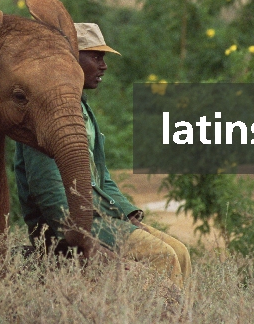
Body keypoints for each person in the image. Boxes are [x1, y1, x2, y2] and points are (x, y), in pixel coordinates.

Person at [14, 22, 191, 289]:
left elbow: (100, 176)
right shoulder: (46, 111)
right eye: (96, 57)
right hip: (72, 226)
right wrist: (80, 238)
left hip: (101, 218)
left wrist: (127, 215)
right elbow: (47, 190)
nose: (104, 66)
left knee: (180, 251)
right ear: (71, 59)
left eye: (104, 58)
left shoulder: (82, 109)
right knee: (162, 256)